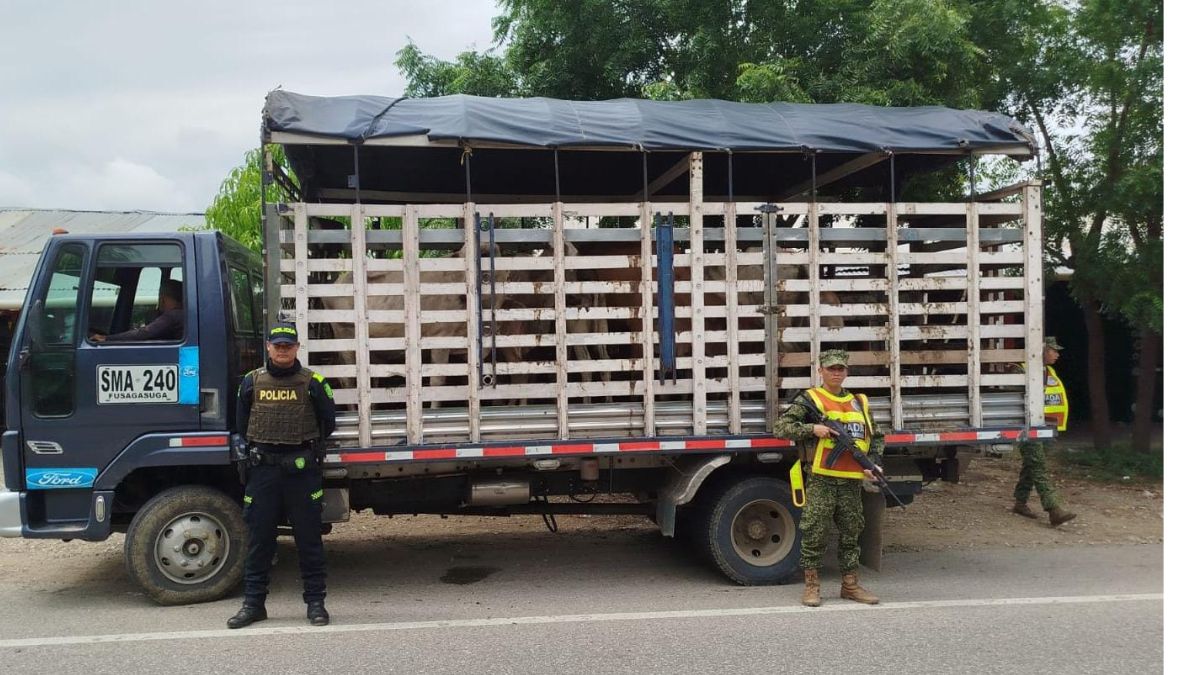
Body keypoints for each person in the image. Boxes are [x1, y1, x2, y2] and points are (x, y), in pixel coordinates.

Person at [227, 322, 337, 629]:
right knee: (259, 541)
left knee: (309, 540)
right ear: (269, 348)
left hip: (301, 472)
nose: (283, 349)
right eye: (278, 345)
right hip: (263, 472)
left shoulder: (314, 382)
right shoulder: (250, 382)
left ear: (297, 348)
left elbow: (328, 422)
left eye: (288, 345)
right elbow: (242, 422)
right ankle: (253, 604)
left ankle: (316, 603)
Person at [774, 349, 883, 607]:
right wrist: (814, 428)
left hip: (851, 481)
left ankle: (850, 585)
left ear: (847, 371)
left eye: (841, 368)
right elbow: (781, 427)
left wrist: (875, 463)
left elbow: (876, 436)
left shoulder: (860, 402)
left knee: (851, 533)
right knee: (815, 532)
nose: (836, 372)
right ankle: (812, 586)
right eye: (831, 368)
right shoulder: (811, 399)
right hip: (822, 478)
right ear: (820, 371)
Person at [1012, 337, 1077, 526]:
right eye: (1053, 350)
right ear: (1041, 351)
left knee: (1031, 466)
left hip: (1045, 428)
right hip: (1028, 427)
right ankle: (1053, 509)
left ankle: (1020, 502)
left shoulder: (1048, 371)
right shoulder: (1021, 369)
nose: (1057, 354)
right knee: (1038, 466)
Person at [92, 279, 185, 342]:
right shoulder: (182, 314)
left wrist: (106, 338)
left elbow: (144, 333)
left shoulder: (173, 315)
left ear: (163, 298)